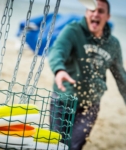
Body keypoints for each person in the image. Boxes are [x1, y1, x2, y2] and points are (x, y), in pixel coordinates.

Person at [48, 0, 126, 150]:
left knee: (75, 146)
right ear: (86, 12)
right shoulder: (72, 31)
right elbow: (56, 51)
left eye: (101, 11)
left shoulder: (113, 44)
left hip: (90, 106)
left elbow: (121, 76)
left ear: (107, 17)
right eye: (92, 10)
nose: (96, 13)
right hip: (64, 99)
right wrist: (59, 70)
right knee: (56, 145)